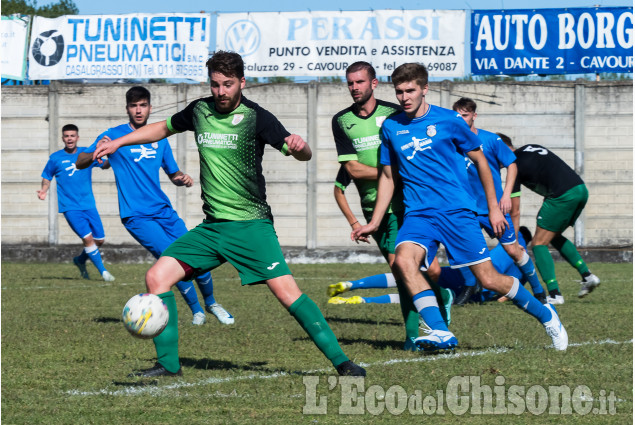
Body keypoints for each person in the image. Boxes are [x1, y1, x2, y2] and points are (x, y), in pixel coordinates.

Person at [91, 51, 365, 378]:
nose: (221, 92)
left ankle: (343, 364)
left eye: (228, 85)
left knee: (288, 294)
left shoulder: (257, 117)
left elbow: (301, 155)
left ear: (242, 83)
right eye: (216, 84)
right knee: (157, 278)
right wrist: (118, 143)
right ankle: (168, 365)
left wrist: (301, 146)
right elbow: (160, 130)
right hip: (212, 230)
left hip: (251, 227)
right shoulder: (200, 110)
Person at [352, 63, 568, 352]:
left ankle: (546, 315)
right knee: (403, 262)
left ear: (425, 89)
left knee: (489, 279)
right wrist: (375, 221)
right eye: (399, 91)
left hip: (456, 212)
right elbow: (389, 177)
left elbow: (480, 161)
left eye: (410, 90)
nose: (404, 97)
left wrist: (493, 208)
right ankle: (440, 330)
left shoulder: (451, 120)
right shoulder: (391, 126)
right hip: (419, 214)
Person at [76, 86, 233, 327]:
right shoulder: (113, 135)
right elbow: (80, 162)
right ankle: (196, 311)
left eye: (143, 105)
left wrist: (182, 178)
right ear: (127, 108)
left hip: (164, 212)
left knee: (198, 256)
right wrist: (97, 149)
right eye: (133, 106)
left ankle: (212, 304)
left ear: (150, 107)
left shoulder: (157, 138)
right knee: (174, 260)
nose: (138, 110)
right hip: (137, 217)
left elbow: (173, 172)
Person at [330, 62, 451, 351]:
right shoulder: (341, 120)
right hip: (374, 208)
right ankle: (429, 324)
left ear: (373, 84)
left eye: (360, 82)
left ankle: (428, 322)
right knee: (404, 270)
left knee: (419, 269)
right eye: (350, 83)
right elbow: (353, 171)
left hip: (407, 204)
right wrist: (393, 172)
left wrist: (398, 172)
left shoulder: (394, 114)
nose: (354, 87)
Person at [452, 97, 546, 305]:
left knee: (513, 250)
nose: (460, 119)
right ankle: (470, 285)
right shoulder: (451, 143)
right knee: (459, 247)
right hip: (465, 209)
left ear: (474, 116)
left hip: (491, 208)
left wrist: (506, 195)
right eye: (457, 115)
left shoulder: (490, 140)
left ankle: (538, 290)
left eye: (465, 115)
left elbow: (512, 165)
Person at [500, 133, 601, 304]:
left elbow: (515, 210)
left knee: (538, 244)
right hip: (580, 189)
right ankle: (588, 276)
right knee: (552, 236)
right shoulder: (530, 147)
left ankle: (555, 294)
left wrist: (515, 241)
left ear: (501, 149)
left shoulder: (513, 166)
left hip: (562, 196)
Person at [38, 124, 115, 282]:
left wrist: (115, 156)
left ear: (77, 137)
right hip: (70, 207)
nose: (69, 139)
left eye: (72, 135)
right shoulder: (55, 158)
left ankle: (80, 260)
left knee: (99, 240)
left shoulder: (86, 154)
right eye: (66, 136)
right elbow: (47, 176)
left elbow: (104, 165)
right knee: (87, 239)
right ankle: (104, 273)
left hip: (89, 204)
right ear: (63, 138)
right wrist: (44, 190)